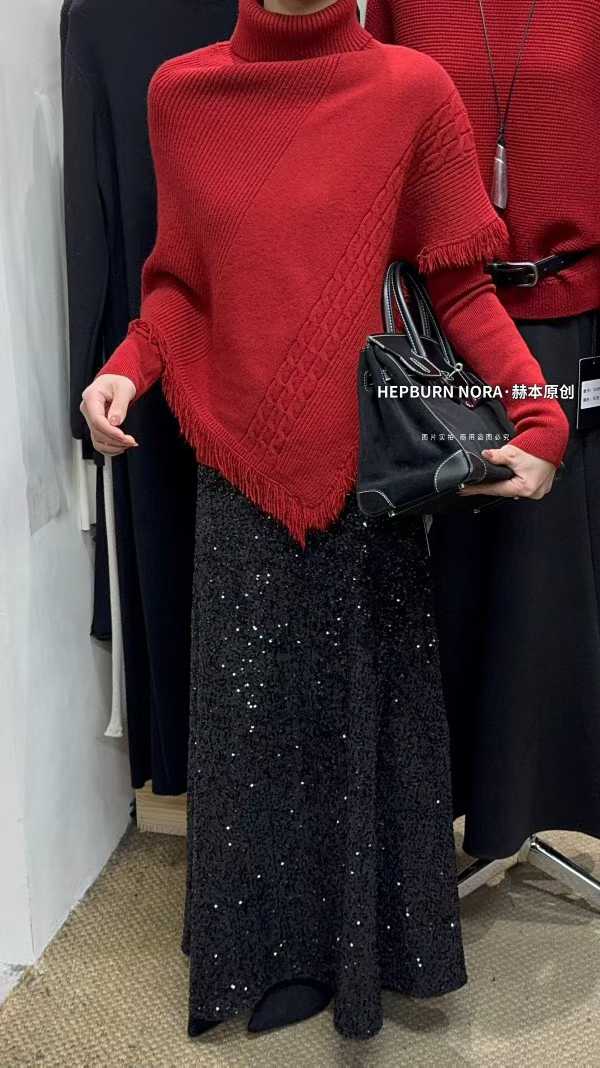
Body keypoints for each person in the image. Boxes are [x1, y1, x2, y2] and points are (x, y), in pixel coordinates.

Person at [79, 0, 568, 1041]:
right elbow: (179, 284)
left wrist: (540, 415)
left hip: (366, 479)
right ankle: (265, 962)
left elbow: (458, 284)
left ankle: (368, 957)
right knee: (251, 731)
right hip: (236, 469)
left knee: (365, 719)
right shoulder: (182, 94)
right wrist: (127, 365)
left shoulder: (410, 90)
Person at [365, 0, 600, 862]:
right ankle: (440, 809)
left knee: (550, 581)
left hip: (568, 324)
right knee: (446, 577)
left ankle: (532, 806)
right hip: (436, 333)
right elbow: (369, 138)